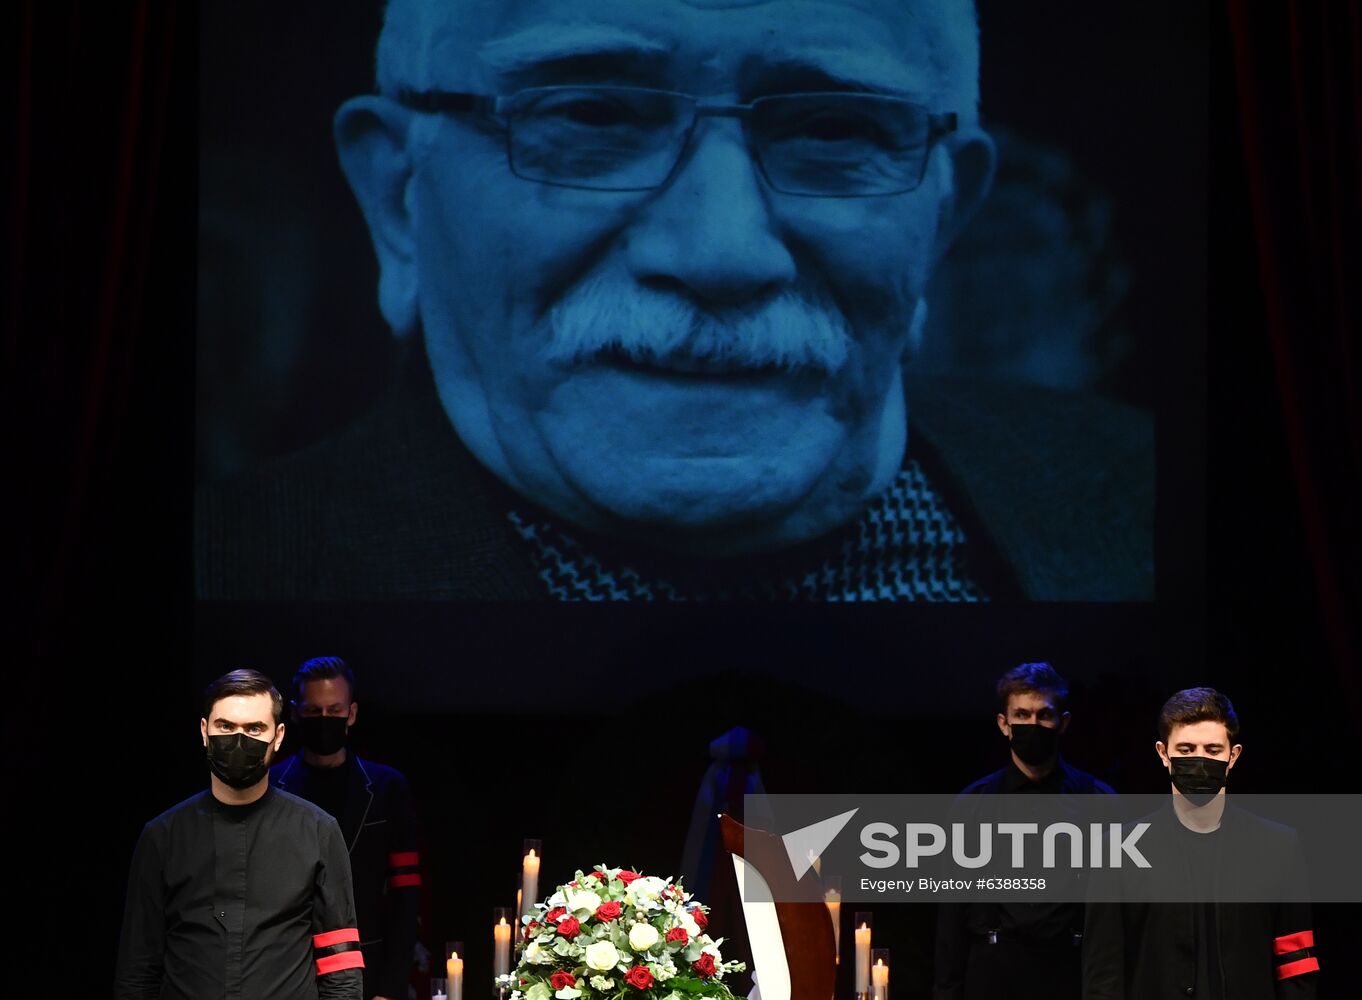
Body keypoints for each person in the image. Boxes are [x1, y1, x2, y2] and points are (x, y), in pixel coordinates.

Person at [195, 0, 1152, 601]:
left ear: (945, 217)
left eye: (833, 126)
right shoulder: (230, 572)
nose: (721, 252)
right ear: (399, 199)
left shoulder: (1143, 504)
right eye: (591, 114)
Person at [114, 670, 363, 999]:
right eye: (226, 727)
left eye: (255, 728)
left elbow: (341, 966)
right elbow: (137, 967)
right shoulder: (163, 837)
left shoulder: (318, 831)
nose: (238, 739)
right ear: (205, 731)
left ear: (278, 736)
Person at [1082, 687, 1320, 998]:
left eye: (1212, 750)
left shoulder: (1278, 846)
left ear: (1232, 756)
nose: (1199, 761)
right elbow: (1103, 974)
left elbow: (1295, 962)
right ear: (1162, 754)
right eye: (1185, 750)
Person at [933, 661, 1115, 1000]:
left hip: (1070, 973)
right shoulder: (973, 804)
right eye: (1022, 715)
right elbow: (951, 919)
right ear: (1004, 724)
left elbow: (1114, 917)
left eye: (1044, 715)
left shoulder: (1099, 803)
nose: (1033, 724)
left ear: (1063, 723)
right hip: (992, 974)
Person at [271, 657, 421, 1000]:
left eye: (334, 710)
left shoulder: (387, 788)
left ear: (351, 714)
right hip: (288, 973)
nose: (324, 720)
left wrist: (389, 988)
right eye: (313, 711)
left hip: (369, 969)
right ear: (295, 713)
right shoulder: (271, 787)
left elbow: (405, 898)